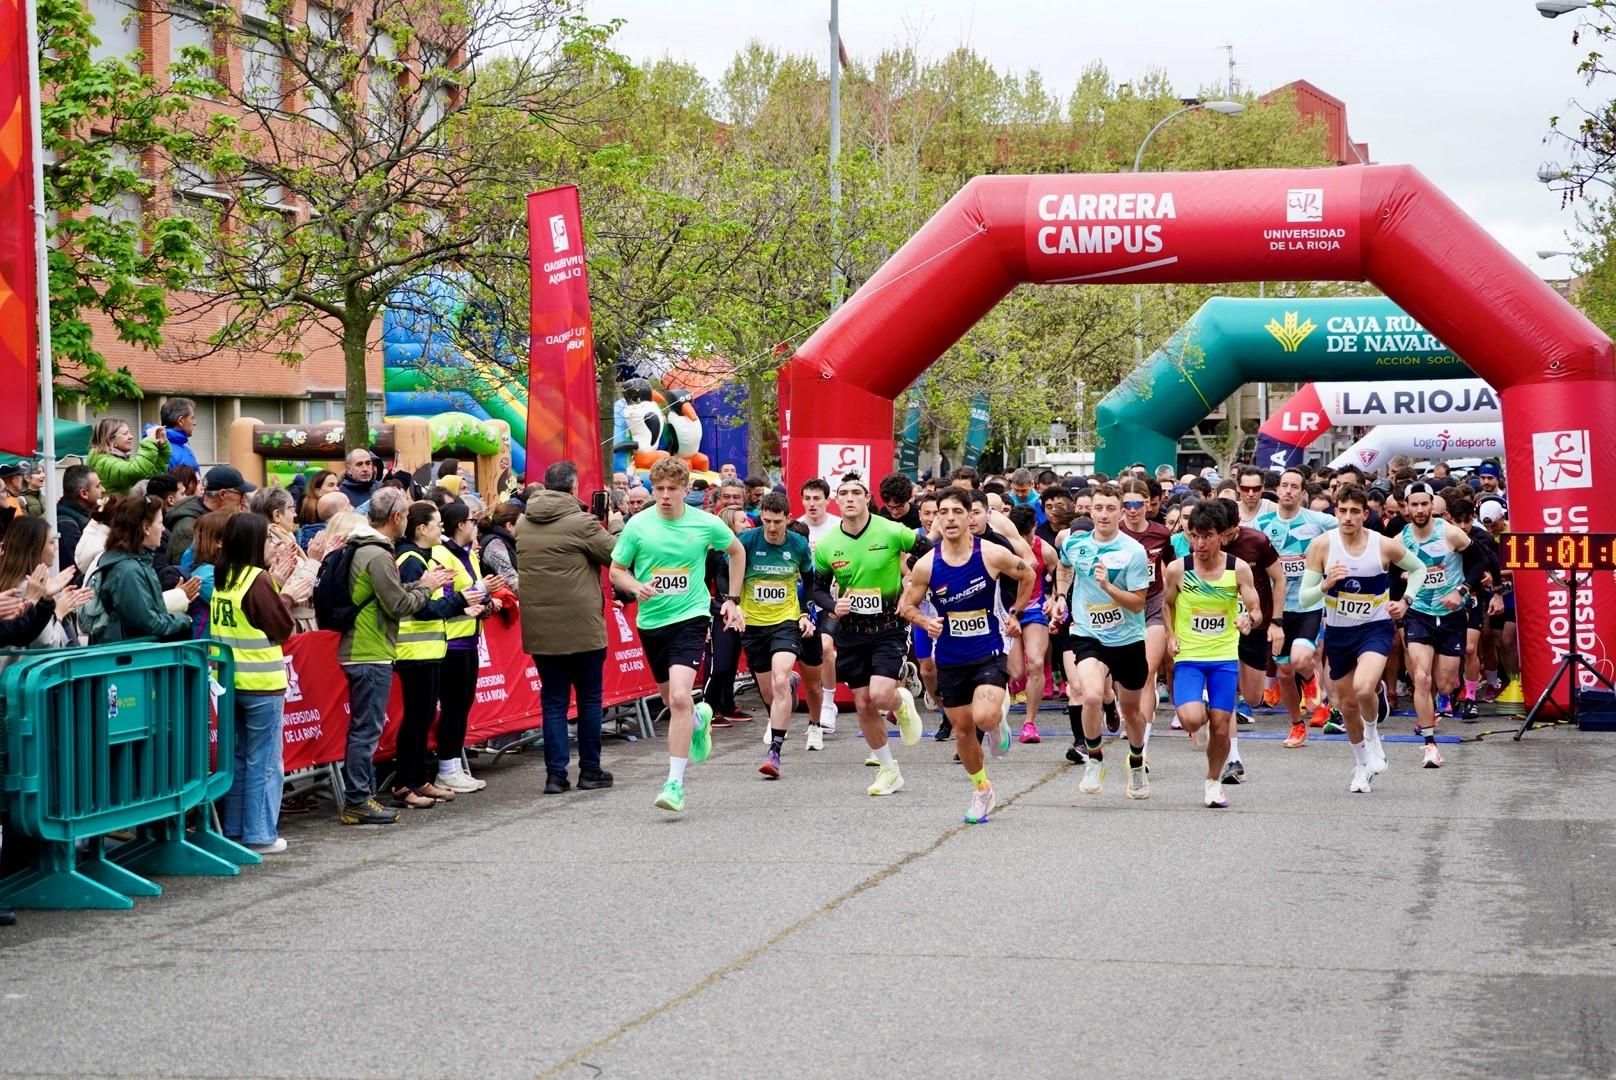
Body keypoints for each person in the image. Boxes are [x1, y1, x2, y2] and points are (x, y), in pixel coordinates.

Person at [610, 457, 746, 814]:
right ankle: (700, 720)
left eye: (673, 489)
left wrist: (732, 600)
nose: (666, 496)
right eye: (660, 489)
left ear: (687, 489)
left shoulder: (705, 524)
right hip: (653, 622)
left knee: (682, 697)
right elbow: (616, 571)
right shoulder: (638, 525)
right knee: (674, 703)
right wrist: (637, 586)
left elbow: (736, 551)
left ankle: (674, 783)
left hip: (692, 617)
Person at [898, 486, 1033, 823]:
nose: (950, 518)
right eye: (942, 512)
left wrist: (1015, 613)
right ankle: (982, 789)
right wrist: (925, 620)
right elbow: (906, 606)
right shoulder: (928, 565)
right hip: (951, 656)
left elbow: (1027, 572)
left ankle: (997, 722)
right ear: (936, 519)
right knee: (962, 731)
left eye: (957, 512)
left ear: (970, 515)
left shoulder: (990, 554)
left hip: (989, 649)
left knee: (984, 717)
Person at [337, 488, 456, 825]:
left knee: (366, 727)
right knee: (366, 729)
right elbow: (400, 605)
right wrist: (427, 585)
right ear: (397, 518)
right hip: (367, 649)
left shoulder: (367, 548)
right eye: (405, 514)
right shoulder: (376, 554)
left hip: (368, 647)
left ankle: (362, 797)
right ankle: (359, 799)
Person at [1300, 484, 1427, 794]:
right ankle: (1360, 764)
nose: (1347, 517)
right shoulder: (1321, 546)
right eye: (1341, 511)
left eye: (1354, 512)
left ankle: (1372, 733)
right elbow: (1305, 598)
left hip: (1375, 627)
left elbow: (1419, 568)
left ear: (1364, 515)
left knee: (1363, 687)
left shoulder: (1383, 545)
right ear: (1335, 512)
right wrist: (1326, 585)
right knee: (1346, 705)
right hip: (1339, 632)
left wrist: (1406, 600)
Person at [809, 472, 929, 798]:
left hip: (888, 627)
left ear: (866, 499)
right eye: (843, 493)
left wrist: (912, 586)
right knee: (863, 704)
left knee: (878, 695)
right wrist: (834, 605)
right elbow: (817, 589)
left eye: (856, 492)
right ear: (837, 500)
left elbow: (928, 552)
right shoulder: (828, 545)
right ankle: (889, 769)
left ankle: (900, 702)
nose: (849, 498)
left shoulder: (890, 530)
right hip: (851, 631)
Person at [518, 461, 620, 793]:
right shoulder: (582, 523)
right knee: (590, 699)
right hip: (582, 627)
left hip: (541, 629)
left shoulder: (523, 523)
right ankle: (590, 770)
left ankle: (555, 775)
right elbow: (618, 556)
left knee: (553, 700)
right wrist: (615, 527)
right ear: (574, 488)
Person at [1050, 484, 1152, 800]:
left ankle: (1136, 763)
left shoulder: (1134, 551)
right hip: (1087, 632)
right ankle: (1094, 760)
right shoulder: (1074, 541)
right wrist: (1061, 597)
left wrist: (1107, 587)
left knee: (1133, 712)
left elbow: (1137, 603)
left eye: (1111, 508)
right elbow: (1064, 567)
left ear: (1121, 512)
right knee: (1090, 695)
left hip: (1128, 637)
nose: (1104, 514)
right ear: (1089, 511)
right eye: (1099, 508)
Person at [1163, 503, 1263, 809]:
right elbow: (1167, 604)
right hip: (1190, 656)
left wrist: (1249, 619)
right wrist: (1170, 634)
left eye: (1206, 536)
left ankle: (1213, 781)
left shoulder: (1238, 569)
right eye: (1194, 536)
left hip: (1223, 657)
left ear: (1222, 536)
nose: (1200, 544)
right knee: (1192, 720)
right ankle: (1200, 717)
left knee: (1222, 726)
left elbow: (1256, 608)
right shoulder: (1178, 569)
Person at [210, 512, 296, 854]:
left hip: (229, 681)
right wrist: (286, 594)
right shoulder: (256, 579)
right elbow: (282, 627)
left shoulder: (221, 576)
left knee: (240, 757)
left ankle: (234, 829)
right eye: (267, 539)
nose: (270, 545)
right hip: (261, 682)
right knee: (264, 761)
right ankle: (260, 833)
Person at [390, 502, 475, 809]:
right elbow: (421, 608)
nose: (442, 528)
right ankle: (405, 783)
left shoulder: (422, 558)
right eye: (437, 523)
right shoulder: (411, 559)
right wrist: (461, 602)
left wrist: (461, 604)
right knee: (416, 718)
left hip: (428, 649)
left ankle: (419, 778)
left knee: (424, 716)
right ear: (421, 529)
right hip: (414, 651)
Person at [736, 491, 818, 779]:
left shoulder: (798, 544)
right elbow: (723, 571)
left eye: (777, 522)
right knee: (771, 693)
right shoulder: (746, 541)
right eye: (767, 521)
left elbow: (809, 579)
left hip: (785, 621)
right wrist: (731, 603)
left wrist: (806, 612)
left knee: (780, 680)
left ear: (788, 518)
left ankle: (775, 752)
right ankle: (788, 689)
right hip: (753, 625)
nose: (771, 528)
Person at [1255, 467, 1339, 748]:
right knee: (1284, 672)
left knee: (1302, 659)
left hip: (1309, 602)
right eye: (1284, 485)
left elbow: (1350, 534)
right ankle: (1296, 725)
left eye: (1294, 486)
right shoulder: (1262, 525)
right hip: (1278, 608)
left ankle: (1311, 678)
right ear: (1277, 490)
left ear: (1303, 493)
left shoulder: (1320, 522)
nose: (1288, 491)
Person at [1398, 482, 1473, 768]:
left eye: (1423, 504)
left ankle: (1439, 703)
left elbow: (1482, 559)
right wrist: (1400, 597)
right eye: (1413, 505)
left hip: (1451, 615)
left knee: (1445, 683)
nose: (1419, 509)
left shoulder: (1450, 533)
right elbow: (1387, 572)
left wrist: (1463, 589)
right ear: (1407, 507)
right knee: (1421, 677)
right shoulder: (1399, 539)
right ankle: (1430, 745)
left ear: (1432, 505)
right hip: (1419, 614)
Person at [433, 500, 502, 793]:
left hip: (470, 638)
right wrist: (482, 591)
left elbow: (471, 593)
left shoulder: (466, 554)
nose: (476, 525)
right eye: (472, 520)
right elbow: (448, 598)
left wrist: (487, 603)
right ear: (461, 525)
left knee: (462, 705)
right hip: (451, 642)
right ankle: (446, 767)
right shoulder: (441, 554)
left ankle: (454, 764)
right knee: (453, 706)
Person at [1217, 499, 1285, 784]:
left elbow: (1279, 580)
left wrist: (1276, 621)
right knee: (1225, 696)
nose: (1220, 539)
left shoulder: (1257, 541)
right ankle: (1234, 758)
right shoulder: (1204, 545)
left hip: (1255, 626)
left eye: (1226, 533)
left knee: (1254, 696)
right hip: (1219, 630)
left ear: (1236, 526)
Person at [86, 496, 198, 644]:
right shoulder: (128, 571)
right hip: (132, 659)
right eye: (160, 523)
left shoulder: (134, 562)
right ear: (146, 528)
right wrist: (184, 620)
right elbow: (147, 623)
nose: (163, 529)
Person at [1118, 477, 1173, 754]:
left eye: (1137, 503)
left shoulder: (1161, 534)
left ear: (1148, 504)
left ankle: (1144, 739)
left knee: (1148, 672)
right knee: (1122, 677)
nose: (1132, 509)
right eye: (1126, 504)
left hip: (1153, 603)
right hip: (1122, 608)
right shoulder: (1113, 533)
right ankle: (1127, 715)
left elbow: (1171, 567)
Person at [0, 517, 91, 650]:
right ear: (34, 548)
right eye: (51, 542)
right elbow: (48, 644)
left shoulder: (11, 582)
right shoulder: (29, 587)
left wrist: (50, 601)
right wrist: (58, 612)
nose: (56, 546)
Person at [1007, 505, 1055, 744]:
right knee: (1016, 672)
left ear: (1034, 528)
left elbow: (1061, 573)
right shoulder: (1002, 547)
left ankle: (1030, 723)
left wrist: (1054, 598)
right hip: (1007, 611)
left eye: (1027, 535)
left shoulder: (1045, 550)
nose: (1024, 541)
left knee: (1036, 663)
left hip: (1034, 609)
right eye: (1019, 536)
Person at [251, 487, 320, 633]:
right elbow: (301, 589)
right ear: (277, 515)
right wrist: (315, 561)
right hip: (294, 624)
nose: (295, 514)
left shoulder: (264, 537)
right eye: (291, 509)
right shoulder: (277, 543)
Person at [168, 465, 255, 564]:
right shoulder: (188, 528)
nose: (243, 501)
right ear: (222, 494)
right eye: (241, 495)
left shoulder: (218, 519)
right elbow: (183, 573)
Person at [88, 418, 170, 495]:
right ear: (110, 440)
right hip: (114, 510)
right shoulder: (103, 462)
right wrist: (149, 441)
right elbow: (137, 471)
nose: (131, 437)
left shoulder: (118, 459)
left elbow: (152, 475)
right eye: (125, 434)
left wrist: (162, 448)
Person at [478, 501, 521, 591]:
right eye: (521, 523)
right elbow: (511, 580)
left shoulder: (508, 541)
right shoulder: (494, 544)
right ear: (509, 525)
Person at [158, 397, 200, 470]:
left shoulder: (181, 446)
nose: (195, 423)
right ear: (181, 421)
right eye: (192, 418)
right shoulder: (166, 451)